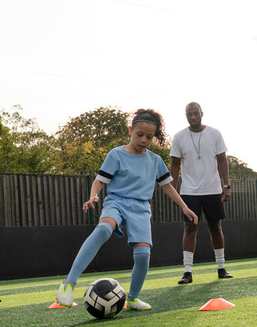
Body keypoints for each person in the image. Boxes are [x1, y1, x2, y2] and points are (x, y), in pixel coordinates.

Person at [56, 109, 198, 310]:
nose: (144, 140)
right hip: (117, 202)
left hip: (140, 208)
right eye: (139, 134)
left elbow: (168, 187)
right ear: (130, 130)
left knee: (142, 255)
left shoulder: (156, 161)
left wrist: (185, 207)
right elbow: (99, 180)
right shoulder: (116, 154)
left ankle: (132, 298)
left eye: (149, 137)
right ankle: (68, 285)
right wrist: (93, 196)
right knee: (103, 230)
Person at [170, 102, 232, 284]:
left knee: (215, 227)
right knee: (190, 228)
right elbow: (175, 165)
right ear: (186, 115)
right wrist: (173, 190)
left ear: (202, 113)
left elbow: (222, 160)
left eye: (196, 114)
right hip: (189, 192)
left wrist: (226, 185)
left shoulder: (214, 133)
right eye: (190, 114)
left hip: (212, 189)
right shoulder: (179, 137)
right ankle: (187, 273)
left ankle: (221, 268)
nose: (193, 117)